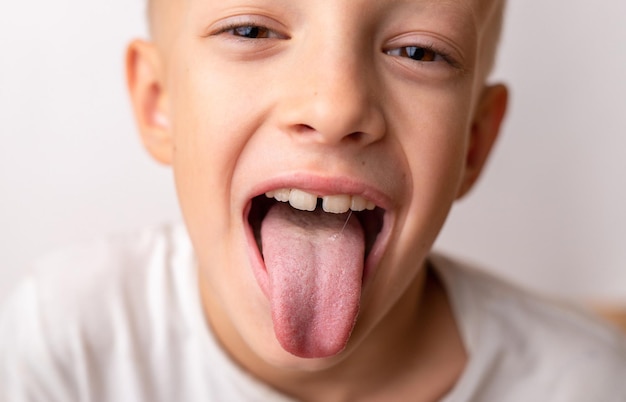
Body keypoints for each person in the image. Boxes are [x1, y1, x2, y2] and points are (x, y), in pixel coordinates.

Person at [2, 0, 625, 400]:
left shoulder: (585, 384)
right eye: (250, 30)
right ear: (159, 101)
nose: (335, 109)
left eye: (418, 51)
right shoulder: (63, 343)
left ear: (472, 142)